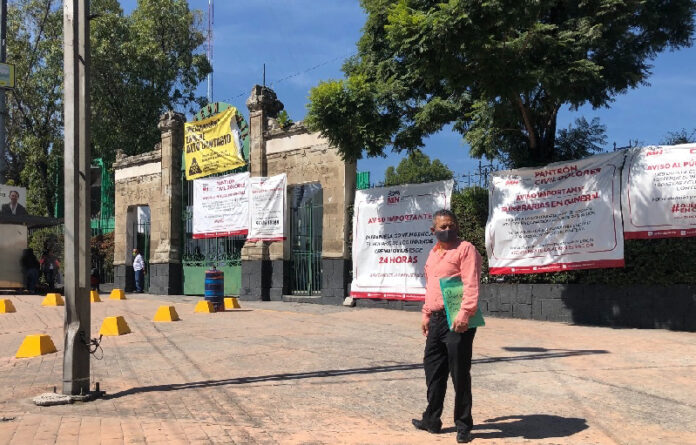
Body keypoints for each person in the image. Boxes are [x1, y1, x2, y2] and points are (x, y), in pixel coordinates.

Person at [412, 209, 482, 444]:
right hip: (436, 318)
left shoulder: (466, 249)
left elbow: (471, 284)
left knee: (459, 372)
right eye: (442, 227)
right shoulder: (433, 254)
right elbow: (431, 287)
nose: (447, 229)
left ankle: (463, 425)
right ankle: (431, 419)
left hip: (458, 317)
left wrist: (464, 313)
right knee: (433, 369)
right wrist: (426, 314)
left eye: (451, 225)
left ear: (457, 226)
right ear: (433, 231)